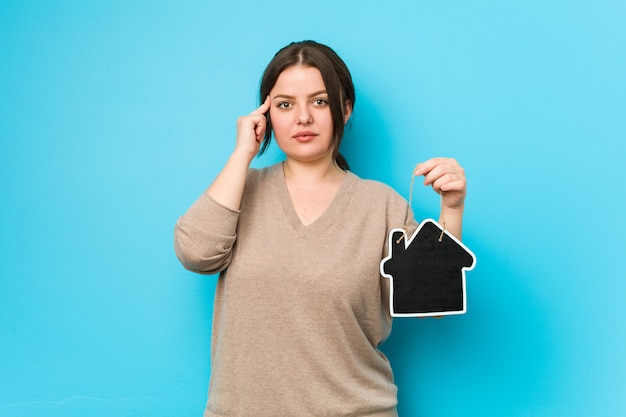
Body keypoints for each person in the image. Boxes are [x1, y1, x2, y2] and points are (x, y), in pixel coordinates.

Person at [174, 40, 467, 417]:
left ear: (344, 110)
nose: (302, 118)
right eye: (284, 104)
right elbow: (196, 253)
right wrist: (242, 154)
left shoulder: (382, 206)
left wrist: (452, 209)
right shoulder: (238, 194)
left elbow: (431, 304)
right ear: (265, 115)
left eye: (319, 101)